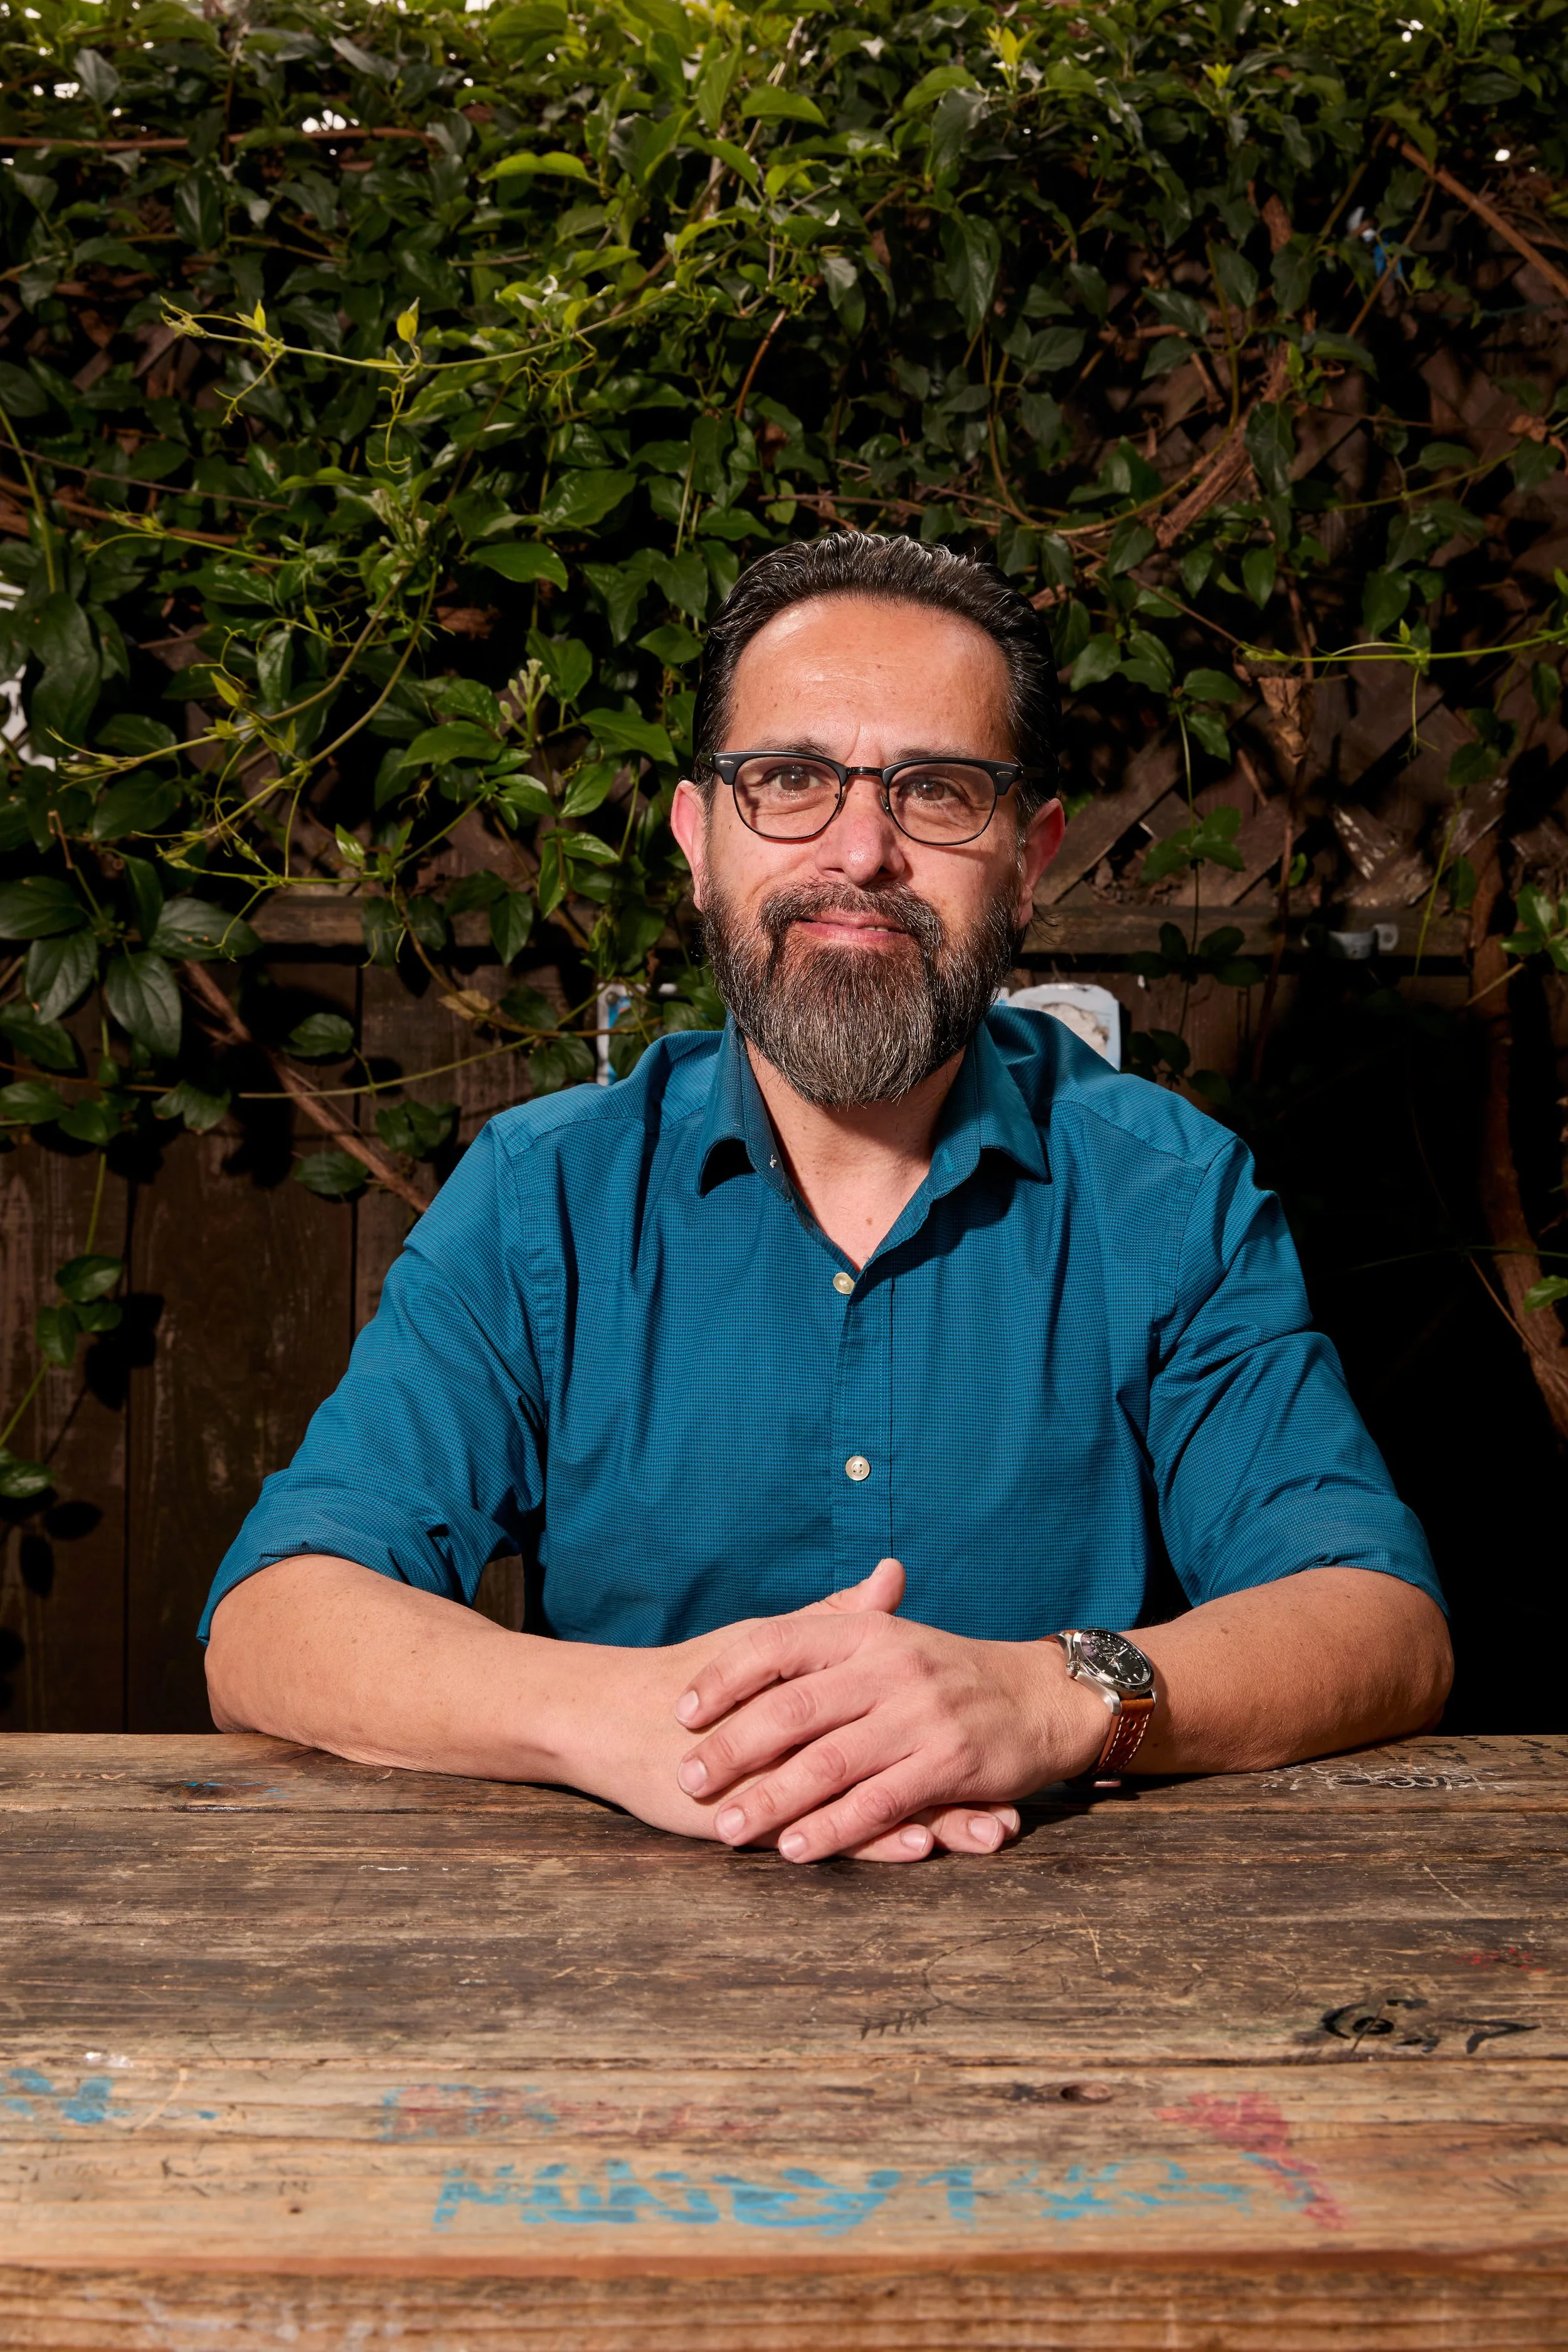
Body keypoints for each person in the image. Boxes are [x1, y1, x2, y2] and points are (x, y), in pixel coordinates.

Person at [202, 532, 1451, 1864]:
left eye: (937, 791)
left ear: (1028, 860)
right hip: (602, 1957)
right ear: (698, 840)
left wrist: (1048, 1697)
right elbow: (273, 1622)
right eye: (789, 779)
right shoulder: (542, 1197)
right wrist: (616, 1717)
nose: (859, 852)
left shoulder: (1171, 1197)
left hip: (1077, 1954)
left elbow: (1378, 1624)